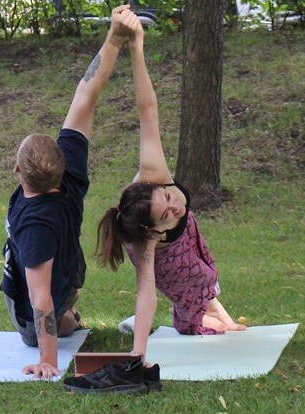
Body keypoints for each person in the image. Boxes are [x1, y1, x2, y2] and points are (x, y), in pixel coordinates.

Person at [0, 5, 143, 380]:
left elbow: (39, 301)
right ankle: (70, 312)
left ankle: (67, 322)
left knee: (44, 319)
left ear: (18, 171)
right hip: (68, 268)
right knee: (58, 294)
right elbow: (87, 94)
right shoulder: (71, 175)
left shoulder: (34, 226)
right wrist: (114, 36)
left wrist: (48, 359)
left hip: (44, 303)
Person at [95, 17, 246, 362]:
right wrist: (138, 355)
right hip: (164, 250)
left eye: (168, 200)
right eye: (167, 213)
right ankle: (191, 319)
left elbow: (147, 109)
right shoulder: (146, 241)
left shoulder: (154, 175)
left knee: (205, 271)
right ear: (154, 228)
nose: (176, 206)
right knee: (190, 285)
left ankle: (216, 311)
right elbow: (146, 293)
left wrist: (137, 46)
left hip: (166, 229)